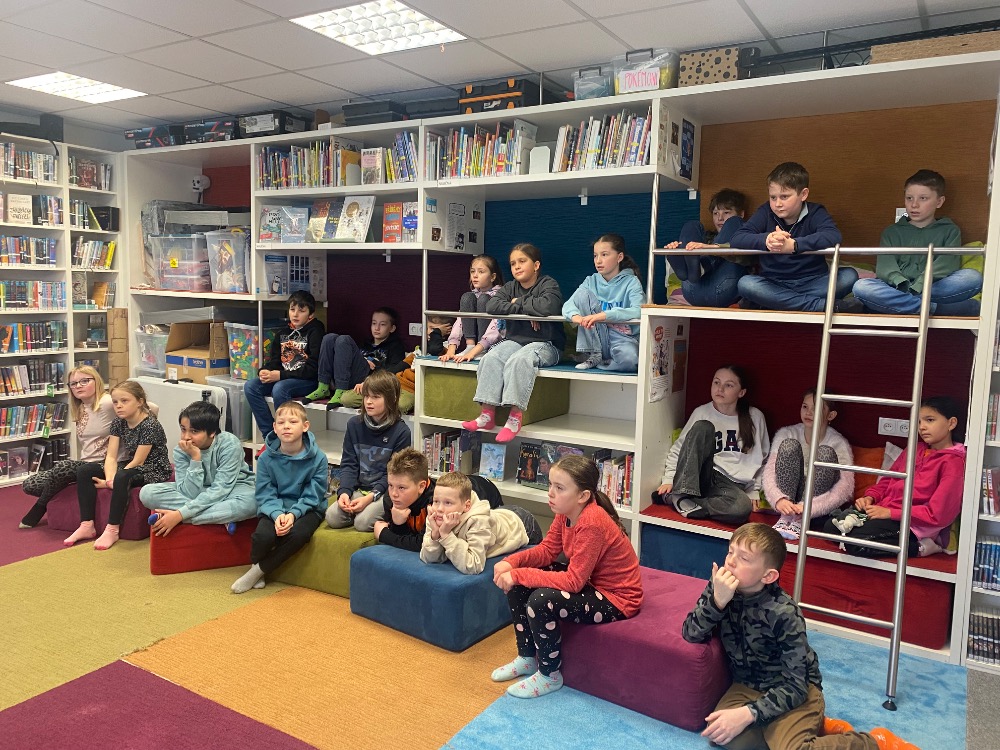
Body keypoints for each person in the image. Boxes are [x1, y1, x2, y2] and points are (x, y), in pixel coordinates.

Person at [682, 522, 918, 750]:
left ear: (768, 576)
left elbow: (796, 686)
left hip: (794, 688)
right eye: (730, 551)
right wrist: (717, 602)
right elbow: (691, 633)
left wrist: (748, 714)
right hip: (747, 685)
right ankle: (808, 726)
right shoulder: (720, 586)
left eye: (744, 558)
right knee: (722, 735)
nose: (731, 561)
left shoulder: (784, 612)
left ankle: (872, 742)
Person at [491, 454, 642, 698]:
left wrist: (519, 574)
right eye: (550, 484)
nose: (550, 493)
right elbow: (547, 550)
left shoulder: (592, 522)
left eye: (559, 488)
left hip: (616, 599)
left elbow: (573, 582)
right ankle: (527, 657)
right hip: (590, 583)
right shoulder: (566, 511)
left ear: (583, 496)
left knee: (540, 600)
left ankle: (550, 675)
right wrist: (511, 562)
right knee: (519, 587)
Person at [824, 396, 965, 558]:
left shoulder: (953, 463)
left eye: (930, 420)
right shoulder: (915, 449)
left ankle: (921, 547)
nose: (922, 427)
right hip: (885, 511)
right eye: (919, 422)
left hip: (914, 525)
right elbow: (888, 479)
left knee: (856, 543)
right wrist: (870, 497)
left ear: (951, 423)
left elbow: (938, 514)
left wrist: (890, 513)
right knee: (830, 527)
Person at [461, 243, 565, 443]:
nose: (516, 266)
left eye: (522, 261)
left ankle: (515, 418)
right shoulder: (509, 287)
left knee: (519, 360)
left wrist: (517, 302)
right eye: (512, 263)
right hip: (516, 340)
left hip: (547, 343)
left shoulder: (548, 284)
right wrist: (528, 310)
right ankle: (487, 415)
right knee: (491, 357)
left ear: (536, 265)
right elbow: (492, 306)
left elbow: (547, 307)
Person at [731, 162, 859, 312]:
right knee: (746, 284)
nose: (777, 204)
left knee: (850, 275)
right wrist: (766, 240)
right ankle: (821, 305)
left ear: (803, 194)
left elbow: (833, 235)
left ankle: (774, 302)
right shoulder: (765, 212)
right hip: (774, 283)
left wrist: (794, 245)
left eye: (784, 197)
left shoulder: (816, 212)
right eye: (773, 197)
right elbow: (737, 238)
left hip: (812, 281)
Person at [852, 169, 982, 316]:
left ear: (939, 202)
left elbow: (947, 265)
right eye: (909, 198)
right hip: (896, 287)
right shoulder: (892, 231)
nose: (914, 205)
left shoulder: (950, 230)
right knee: (862, 287)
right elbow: (885, 266)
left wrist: (919, 285)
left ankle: (894, 304)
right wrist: (901, 283)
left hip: (932, 287)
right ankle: (936, 309)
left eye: (923, 198)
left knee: (972, 278)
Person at [231, 401, 327, 593]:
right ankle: (257, 567)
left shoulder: (319, 458)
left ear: (305, 426)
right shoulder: (266, 458)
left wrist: (293, 514)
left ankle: (257, 571)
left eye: (293, 422)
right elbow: (265, 493)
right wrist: (277, 514)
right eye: (281, 423)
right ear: (274, 428)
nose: (286, 427)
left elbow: (313, 494)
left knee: (298, 535)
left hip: (307, 508)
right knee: (263, 536)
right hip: (275, 507)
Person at [64, 380, 171, 550]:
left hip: (154, 468)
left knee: (123, 476)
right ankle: (86, 525)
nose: (118, 406)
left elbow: (139, 461)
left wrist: (113, 482)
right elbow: (111, 456)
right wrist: (109, 480)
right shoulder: (118, 422)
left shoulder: (150, 424)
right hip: (131, 464)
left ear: (140, 402)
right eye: (115, 402)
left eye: (124, 401)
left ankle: (112, 529)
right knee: (85, 470)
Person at [655, 365, 769, 524]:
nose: (720, 389)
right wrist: (669, 479)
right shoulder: (702, 412)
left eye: (728, 385)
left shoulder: (755, 417)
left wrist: (753, 490)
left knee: (742, 509)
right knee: (703, 426)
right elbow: (681, 449)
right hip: (705, 475)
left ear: (741, 392)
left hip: (732, 488)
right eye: (716, 382)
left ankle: (683, 502)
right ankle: (681, 494)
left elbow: (763, 459)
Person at [139, 401, 256, 537]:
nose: (186, 437)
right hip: (200, 490)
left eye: (194, 431)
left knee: (253, 502)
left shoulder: (229, 443)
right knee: (147, 493)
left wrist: (180, 515)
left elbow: (222, 489)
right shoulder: (181, 450)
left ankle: (181, 518)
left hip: (234, 488)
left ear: (212, 432)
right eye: (183, 429)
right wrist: (195, 458)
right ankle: (220, 517)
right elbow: (188, 492)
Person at [19, 366, 113, 528]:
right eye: (73, 383)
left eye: (84, 381)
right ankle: (73, 487)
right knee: (30, 484)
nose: (78, 386)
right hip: (85, 464)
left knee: (65, 466)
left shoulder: (107, 402)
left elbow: (149, 407)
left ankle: (39, 508)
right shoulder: (81, 407)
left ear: (96, 381)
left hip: (104, 464)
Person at [325, 370, 411, 533]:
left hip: (385, 492)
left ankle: (385, 516)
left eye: (376, 397)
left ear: (391, 399)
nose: (369, 402)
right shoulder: (354, 425)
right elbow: (349, 464)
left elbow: (394, 475)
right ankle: (358, 508)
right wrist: (344, 492)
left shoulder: (401, 432)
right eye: (366, 396)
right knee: (332, 517)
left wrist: (371, 497)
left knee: (362, 523)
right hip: (359, 489)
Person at [762, 390, 854, 541]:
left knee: (825, 453)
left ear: (830, 415)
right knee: (789, 446)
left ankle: (800, 520)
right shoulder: (787, 433)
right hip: (789, 500)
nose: (808, 413)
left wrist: (810, 508)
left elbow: (845, 487)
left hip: (817, 504)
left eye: (816, 409)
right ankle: (786, 517)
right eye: (805, 407)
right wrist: (778, 499)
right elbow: (769, 472)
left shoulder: (838, 442)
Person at [420, 470, 543, 574]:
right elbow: (428, 557)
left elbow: (474, 565)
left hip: (522, 523)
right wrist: (436, 534)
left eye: (448, 503)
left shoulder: (478, 520)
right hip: (498, 515)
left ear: (466, 506)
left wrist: (446, 535)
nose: (440, 508)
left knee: (541, 564)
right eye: (436, 501)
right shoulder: (436, 515)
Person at [245, 291, 325, 439]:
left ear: (311, 314)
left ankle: (287, 435)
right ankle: (271, 435)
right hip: (285, 377)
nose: (295, 314)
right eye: (292, 309)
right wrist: (265, 370)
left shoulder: (316, 332)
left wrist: (280, 375)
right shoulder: (283, 333)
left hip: (308, 380)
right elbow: (275, 361)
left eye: (301, 311)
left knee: (280, 388)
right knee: (251, 386)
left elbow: (313, 369)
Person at [562, 232, 645, 372]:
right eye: (595, 256)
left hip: (621, 338)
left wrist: (604, 315)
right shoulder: (590, 280)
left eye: (604, 255)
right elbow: (568, 305)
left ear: (619, 257)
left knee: (630, 360)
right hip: (595, 337)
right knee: (582, 295)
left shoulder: (631, 281)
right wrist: (576, 317)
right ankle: (593, 355)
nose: (598, 261)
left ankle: (602, 362)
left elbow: (638, 310)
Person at [303, 306, 407, 409]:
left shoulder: (395, 346)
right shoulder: (365, 343)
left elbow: (393, 372)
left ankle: (341, 389)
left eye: (382, 324)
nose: (377, 328)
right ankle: (323, 386)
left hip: (368, 380)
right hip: (345, 376)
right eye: (374, 323)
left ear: (392, 328)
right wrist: (364, 360)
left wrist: (371, 370)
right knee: (329, 338)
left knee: (344, 340)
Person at [665, 188, 750, 307]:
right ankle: (689, 260)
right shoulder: (704, 238)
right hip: (691, 291)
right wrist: (676, 249)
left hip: (724, 291)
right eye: (716, 213)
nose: (720, 218)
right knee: (692, 225)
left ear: (741, 213)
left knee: (735, 222)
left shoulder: (749, 238)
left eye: (726, 212)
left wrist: (711, 249)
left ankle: (704, 263)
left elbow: (750, 265)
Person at [440, 254, 506, 363]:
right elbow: (460, 320)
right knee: (467, 297)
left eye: (481, 272)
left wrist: (477, 350)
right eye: (472, 271)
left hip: (492, 344)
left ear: (493, 277)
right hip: (474, 347)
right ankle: (470, 346)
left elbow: (496, 326)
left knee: (484, 299)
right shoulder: (473, 295)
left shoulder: (501, 296)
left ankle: (481, 350)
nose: (475, 275)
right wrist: (451, 350)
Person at [371, 447, 435, 552]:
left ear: (421, 486)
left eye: (401, 488)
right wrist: (398, 524)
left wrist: (384, 535)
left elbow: (425, 545)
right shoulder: (390, 499)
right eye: (390, 485)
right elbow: (401, 539)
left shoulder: (436, 502)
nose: (393, 494)